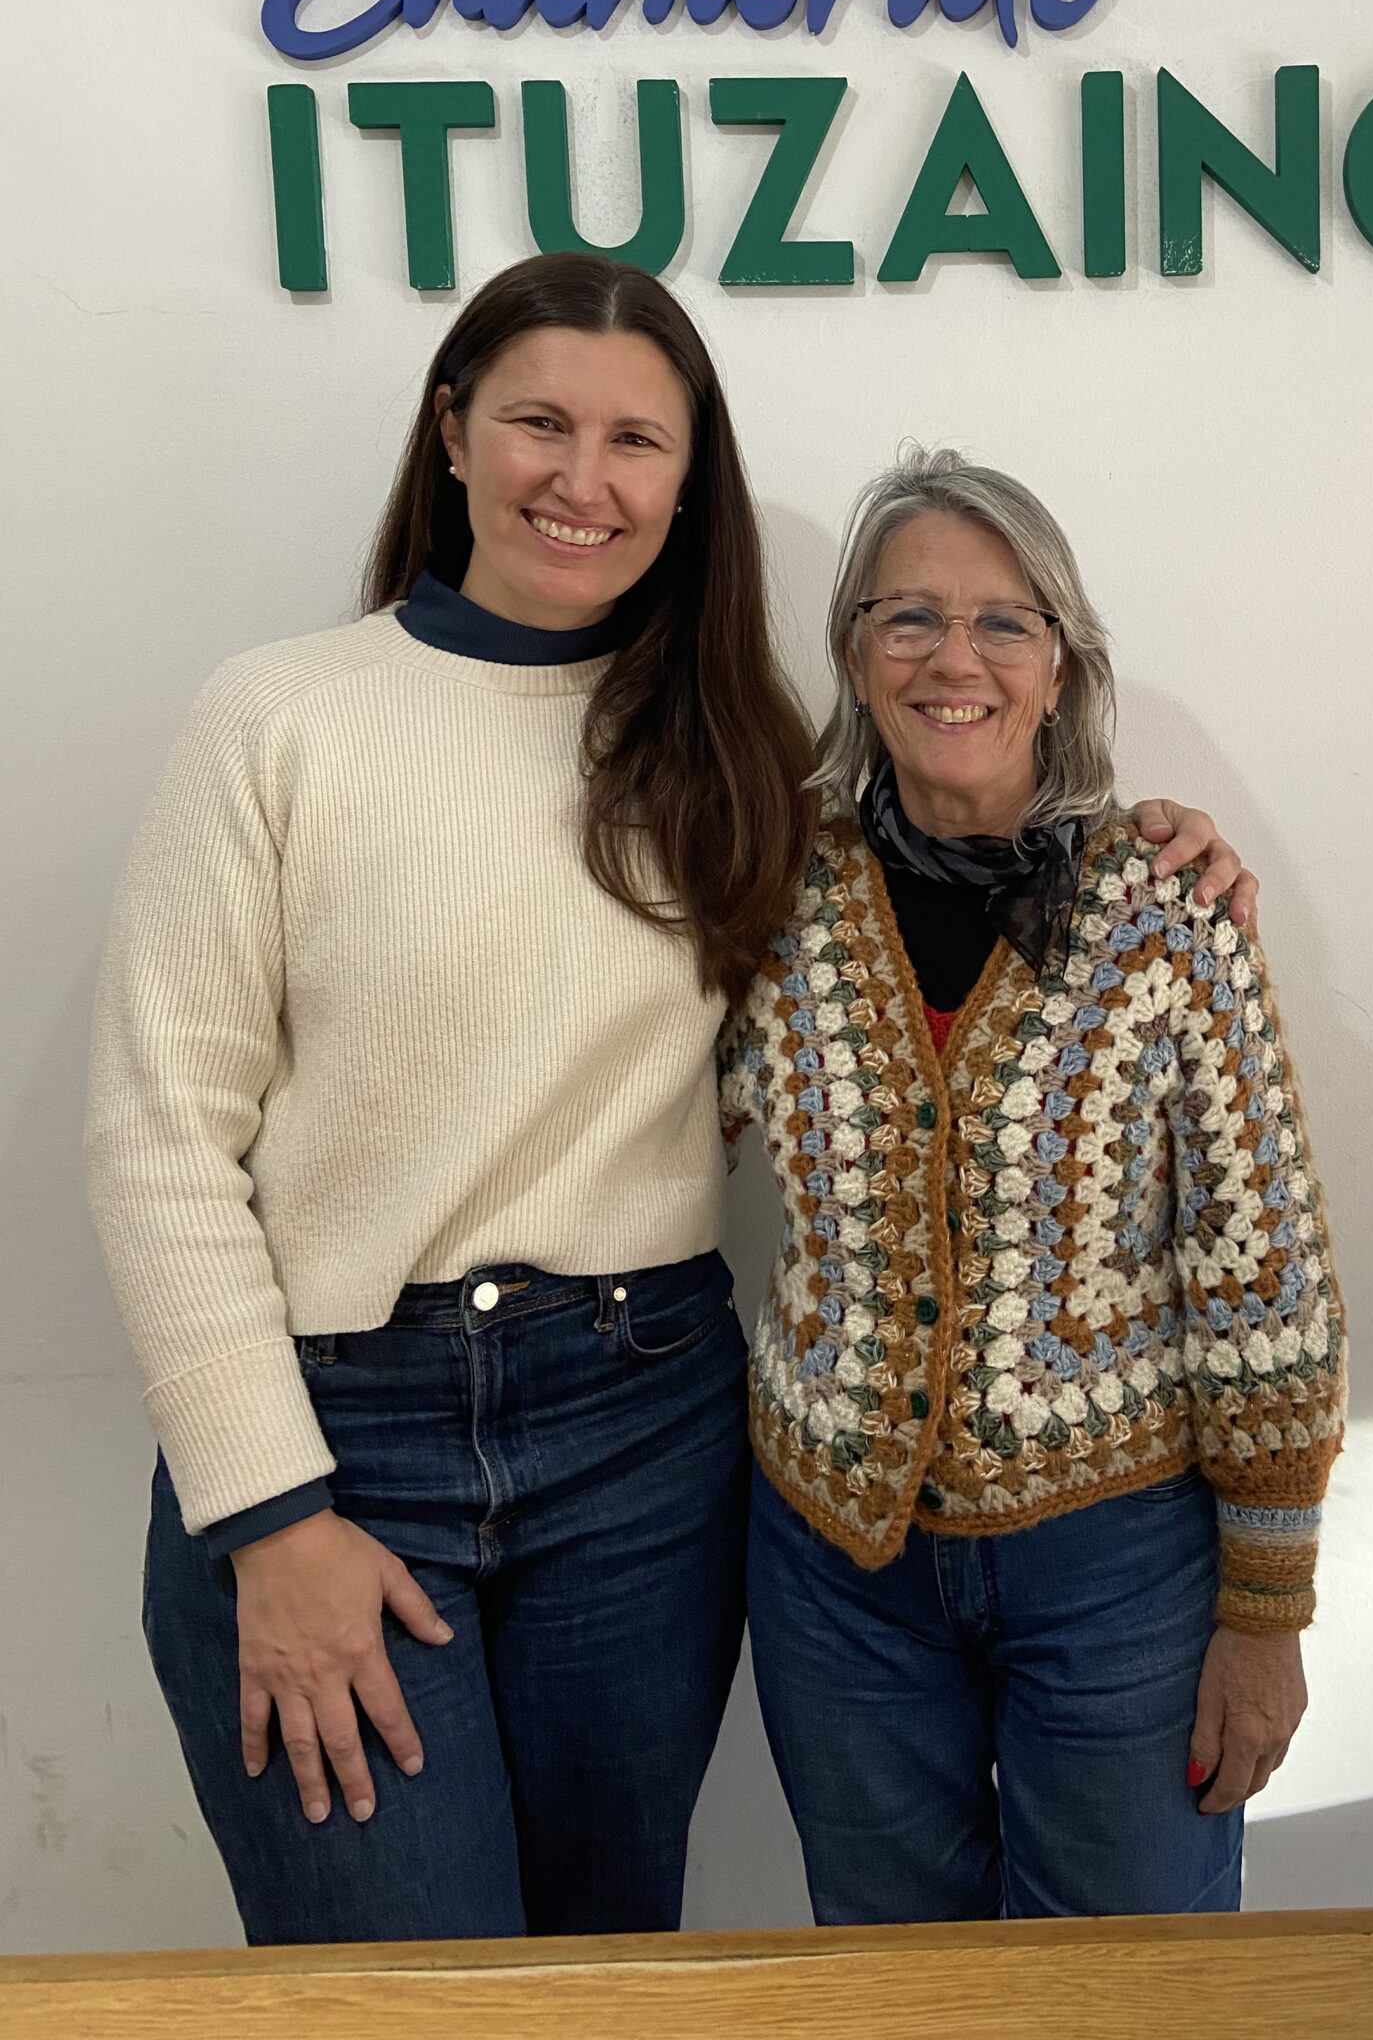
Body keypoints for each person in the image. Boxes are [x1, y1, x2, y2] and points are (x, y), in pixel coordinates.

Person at [85, 255, 1256, 1945]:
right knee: (405, 1998)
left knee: (612, 1970)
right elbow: (160, 1142)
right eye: (539, 424)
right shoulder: (278, 719)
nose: (585, 478)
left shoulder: (733, 753)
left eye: (638, 440)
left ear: (689, 481)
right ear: (452, 434)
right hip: (339, 1431)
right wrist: (270, 1516)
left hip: (640, 1435)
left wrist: (1145, 845)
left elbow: (944, 862)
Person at [722, 448, 1346, 1923]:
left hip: (1117, 1570)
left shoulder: (1171, 913)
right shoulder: (768, 896)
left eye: (1004, 621)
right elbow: (629, 1111)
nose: (957, 659)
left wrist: (1268, 1607)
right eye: (908, 618)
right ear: (855, 655)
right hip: (838, 1572)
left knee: (1130, 1990)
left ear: (1061, 666)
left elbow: (1261, 1269)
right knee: (895, 1985)